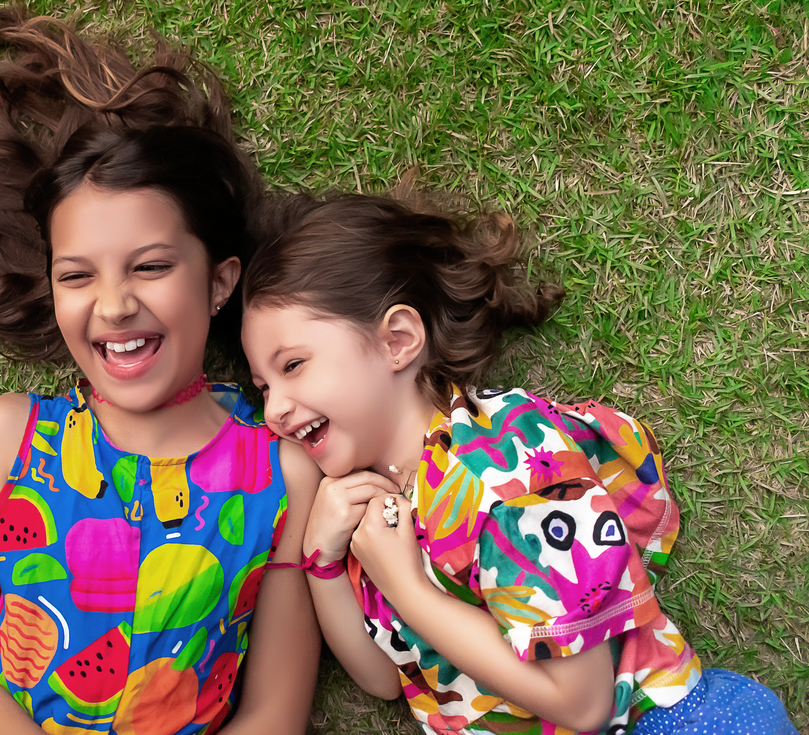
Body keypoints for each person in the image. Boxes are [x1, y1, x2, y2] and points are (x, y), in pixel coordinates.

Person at [0, 0, 321, 735]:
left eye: (152, 266)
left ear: (220, 281)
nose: (114, 303)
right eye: (77, 275)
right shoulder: (5, 438)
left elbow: (275, 716)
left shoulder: (284, 476)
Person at [239, 193, 798, 735]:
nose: (275, 409)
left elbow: (583, 702)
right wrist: (324, 560)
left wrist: (407, 588)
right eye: (262, 386)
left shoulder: (508, 460)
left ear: (398, 341)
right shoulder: (374, 507)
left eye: (293, 365)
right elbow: (387, 678)